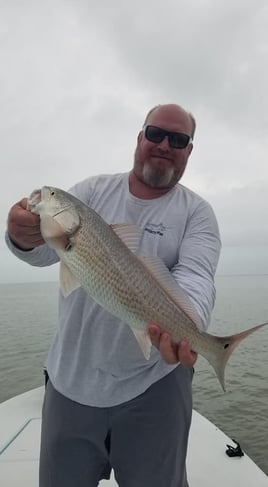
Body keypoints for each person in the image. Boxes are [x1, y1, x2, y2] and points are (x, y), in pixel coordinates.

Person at [6, 103, 221, 487]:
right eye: (155, 134)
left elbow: (196, 279)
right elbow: (41, 251)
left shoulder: (196, 214)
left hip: (155, 385)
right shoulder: (90, 192)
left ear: (190, 150)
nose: (164, 144)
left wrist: (191, 330)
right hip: (71, 381)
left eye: (178, 139)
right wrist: (20, 236)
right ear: (139, 138)